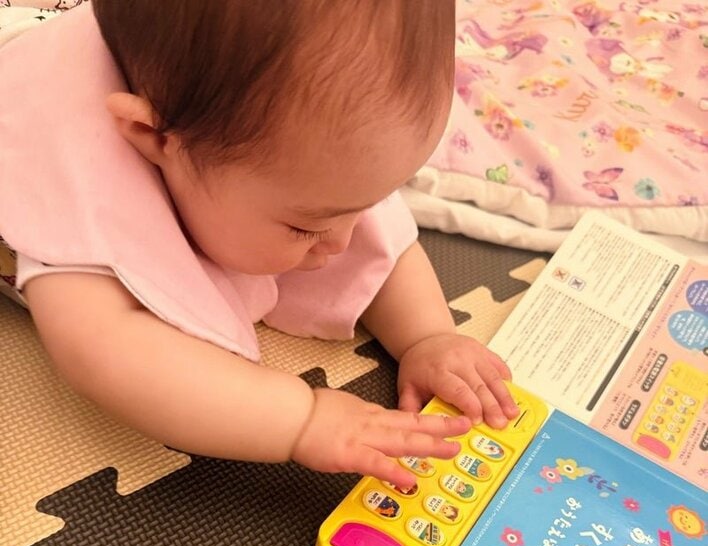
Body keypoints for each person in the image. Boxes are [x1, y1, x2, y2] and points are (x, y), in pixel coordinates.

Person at [0, 0, 518, 490]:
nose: (344, 241)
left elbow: (375, 239)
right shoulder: (76, 186)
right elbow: (105, 351)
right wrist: (301, 420)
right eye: (304, 228)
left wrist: (427, 336)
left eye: (367, 204)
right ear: (154, 137)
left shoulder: (298, 151)